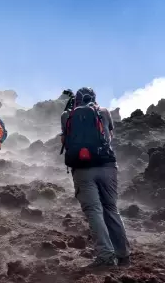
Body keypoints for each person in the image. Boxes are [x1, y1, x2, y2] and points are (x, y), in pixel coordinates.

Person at [61, 87, 130, 268]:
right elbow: (110, 137)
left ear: (76, 99)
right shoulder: (104, 112)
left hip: (82, 169)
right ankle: (123, 255)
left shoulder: (67, 115)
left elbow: (65, 140)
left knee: (94, 211)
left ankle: (106, 256)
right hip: (107, 166)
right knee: (111, 208)